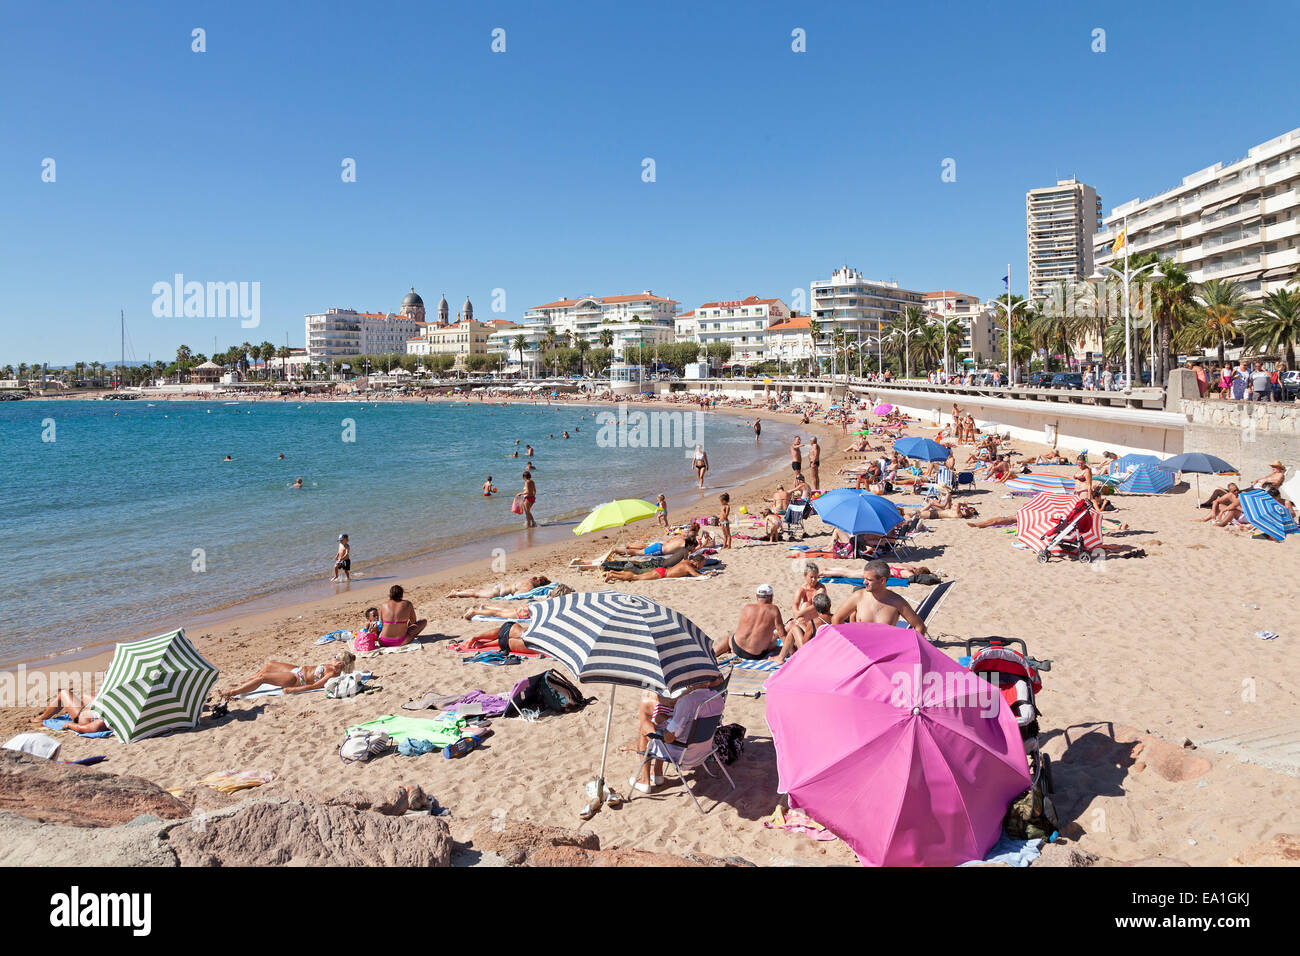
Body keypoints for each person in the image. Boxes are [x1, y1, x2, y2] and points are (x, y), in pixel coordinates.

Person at [830, 560, 928, 638]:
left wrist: (908, 648)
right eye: (864, 578)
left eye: (869, 580)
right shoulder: (858, 596)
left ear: (882, 580)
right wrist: (846, 641)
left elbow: (920, 627)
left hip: (884, 653)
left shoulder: (897, 602)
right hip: (861, 649)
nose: (864, 582)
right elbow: (836, 619)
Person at [220, 650, 355, 698]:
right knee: (270, 664)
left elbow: (314, 686)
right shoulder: (332, 667)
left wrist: (293, 689)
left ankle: (233, 692)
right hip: (298, 669)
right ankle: (248, 681)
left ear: (341, 664)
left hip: (295, 679)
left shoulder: (331, 673)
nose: (334, 657)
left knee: (263, 678)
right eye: (335, 655)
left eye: (336, 657)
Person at [712, 584, 785, 660]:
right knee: (774, 642)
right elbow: (782, 634)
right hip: (755, 655)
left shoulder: (747, 607)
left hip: (737, 648)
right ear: (771, 597)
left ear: (757, 596)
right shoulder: (774, 610)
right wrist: (791, 651)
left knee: (728, 639)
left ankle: (713, 654)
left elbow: (741, 630)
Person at [776, 592, 833, 663]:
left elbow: (804, 642)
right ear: (829, 605)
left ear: (815, 608)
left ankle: (781, 657)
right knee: (798, 624)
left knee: (794, 628)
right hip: (829, 651)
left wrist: (796, 641)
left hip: (814, 656)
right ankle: (787, 654)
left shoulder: (814, 622)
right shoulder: (836, 618)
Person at [31, 689, 109, 734]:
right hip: (97, 709)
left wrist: (69, 725)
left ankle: (41, 718)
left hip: (82, 716)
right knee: (84, 696)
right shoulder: (116, 712)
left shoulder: (105, 720)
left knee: (63, 693)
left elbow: (85, 728)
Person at [602, 553, 710, 582]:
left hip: (661, 571)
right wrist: (707, 574)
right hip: (661, 574)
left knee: (637, 576)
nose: (703, 565)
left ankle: (612, 572)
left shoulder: (687, 562)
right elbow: (697, 575)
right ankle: (612, 575)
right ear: (698, 562)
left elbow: (696, 570)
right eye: (703, 563)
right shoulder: (688, 567)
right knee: (635, 578)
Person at [447, 574, 552, 599]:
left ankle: (458, 591)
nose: (537, 579)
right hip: (500, 592)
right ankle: (456, 593)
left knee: (478, 591)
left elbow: (517, 592)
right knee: (477, 593)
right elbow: (517, 594)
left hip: (501, 586)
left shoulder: (527, 578)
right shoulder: (529, 585)